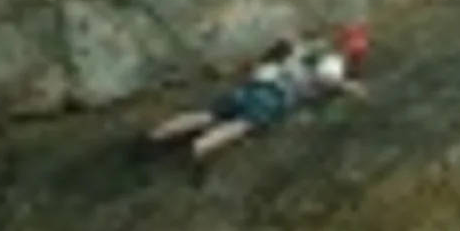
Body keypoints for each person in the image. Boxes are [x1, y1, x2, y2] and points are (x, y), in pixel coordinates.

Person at [144, 23, 371, 162]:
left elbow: (287, 41)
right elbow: (327, 77)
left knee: (210, 114)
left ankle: (159, 134)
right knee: (240, 126)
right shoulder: (335, 63)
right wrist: (348, 86)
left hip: (260, 82)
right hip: (275, 98)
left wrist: (289, 43)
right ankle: (198, 150)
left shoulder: (313, 46)